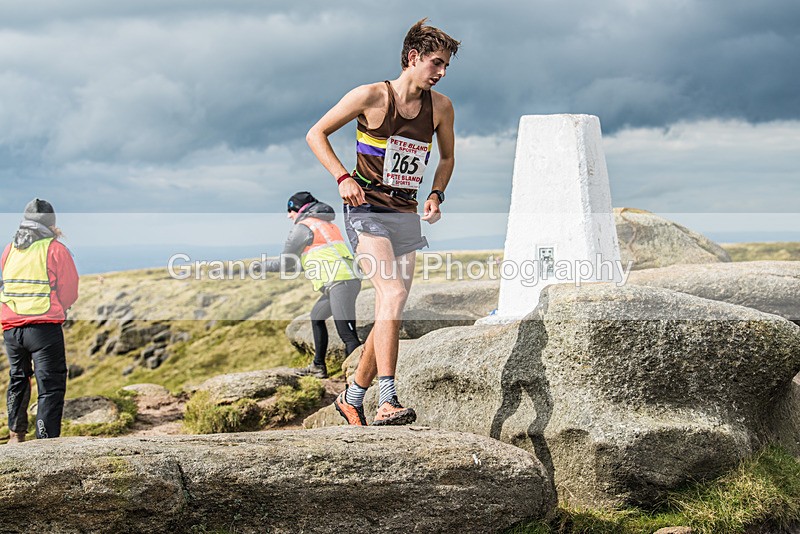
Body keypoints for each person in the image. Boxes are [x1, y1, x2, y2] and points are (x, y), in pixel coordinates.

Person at [306, 19, 459, 426]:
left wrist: (435, 193)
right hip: (366, 210)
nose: (441, 72)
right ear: (413, 58)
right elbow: (316, 133)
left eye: (445, 66)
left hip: (405, 213)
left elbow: (445, 159)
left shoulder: (440, 108)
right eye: (436, 63)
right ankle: (387, 399)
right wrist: (342, 177)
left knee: (394, 306)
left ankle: (352, 397)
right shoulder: (371, 95)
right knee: (390, 295)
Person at [1, 199, 79, 443]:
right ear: (52, 223)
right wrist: (61, 306)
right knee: (50, 383)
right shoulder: (55, 249)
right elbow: (69, 291)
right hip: (43, 329)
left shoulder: (10, 249)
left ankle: (16, 435)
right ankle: (46, 441)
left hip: (11, 329)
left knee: (18, 378)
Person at [261, 191, 362, 379]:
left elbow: (286, 263)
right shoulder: (325, 224)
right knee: (316, 316)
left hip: (340, 282)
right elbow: (308, 260)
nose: (288, 215)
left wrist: (261, 266)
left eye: (290, 210)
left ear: (298, 209)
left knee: (347, 335)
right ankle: (318, 366)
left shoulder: (303, 227)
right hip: (344, 280)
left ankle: (357, 380)